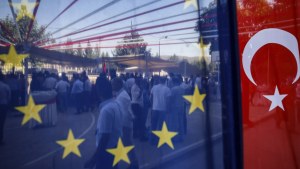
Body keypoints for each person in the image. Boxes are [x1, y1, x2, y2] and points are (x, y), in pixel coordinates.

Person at [84, 82, 122, 169]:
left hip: (106, 151)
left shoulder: (106, 110)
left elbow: (105, 138)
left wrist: (93, 160)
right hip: (115, 146)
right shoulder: (116, 103)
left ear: (100, 93)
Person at [112, 77, 139, 169]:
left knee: (127, 144)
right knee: (125, 144)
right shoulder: (121, 94)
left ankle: (134, 164)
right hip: (124, 124)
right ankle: (133, 163)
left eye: (113, 83)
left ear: (118, 84)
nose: (112, 85)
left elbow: (125, 111)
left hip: (124, 124)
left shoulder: (122, 96)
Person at [167, 76, 185, 142]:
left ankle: (174, 137)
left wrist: (168, 107)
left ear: (174, 82)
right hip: (182, 106)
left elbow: (171, 99)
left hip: (175, 107)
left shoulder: (173, 89)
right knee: (181, 122)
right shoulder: (182, 88)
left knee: (174, 122)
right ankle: (181, 137)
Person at [0, 73, 11, 145]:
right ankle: (1, 139)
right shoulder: (5, 86)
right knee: (1, 123)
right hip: (3, 105)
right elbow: (9, 98)